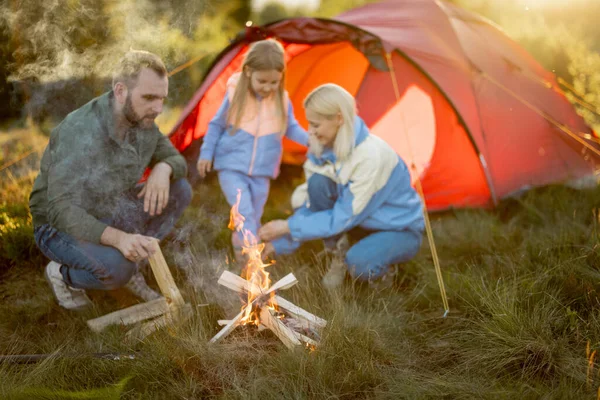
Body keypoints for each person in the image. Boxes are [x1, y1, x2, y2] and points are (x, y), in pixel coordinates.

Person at [29, 50, 192, 310]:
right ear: (120, 91)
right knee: (117, 269)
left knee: (179, 189)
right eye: (149, 97)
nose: (158, 108)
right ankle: (62, 274)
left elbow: (176, 160)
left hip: (111, 207)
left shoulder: (144, 120)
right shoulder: (79, 131)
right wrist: (119, 239)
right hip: (58, 226)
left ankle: (134, 262)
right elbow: (61, 210)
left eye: (162, 98)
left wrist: (163, 168)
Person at [258, 83, 425, 289]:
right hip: (358, 221)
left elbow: (341, 217)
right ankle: (337, 252)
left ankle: (383, 269)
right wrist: (280, 244)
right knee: (318, 184)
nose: (310, 132)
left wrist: (286, 227)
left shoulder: (370, 156)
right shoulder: (322, 148)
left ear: (338, 119)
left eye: (316, 125)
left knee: (359, 265)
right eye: (309, 124)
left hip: (397, 228)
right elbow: (312, 204)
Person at [196, 39, 308, 264]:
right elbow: (216, 125)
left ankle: (243, 255)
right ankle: (250, 256)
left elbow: (292, 127)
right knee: (244, 212)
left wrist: (313, 141)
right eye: (262, 81)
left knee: (253, 216)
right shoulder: (235, 94)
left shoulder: (281, 101)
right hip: (231, 167)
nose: (267, 87)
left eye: (274, 82)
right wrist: (206, 153)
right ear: (248, 72)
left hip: (262, 171)